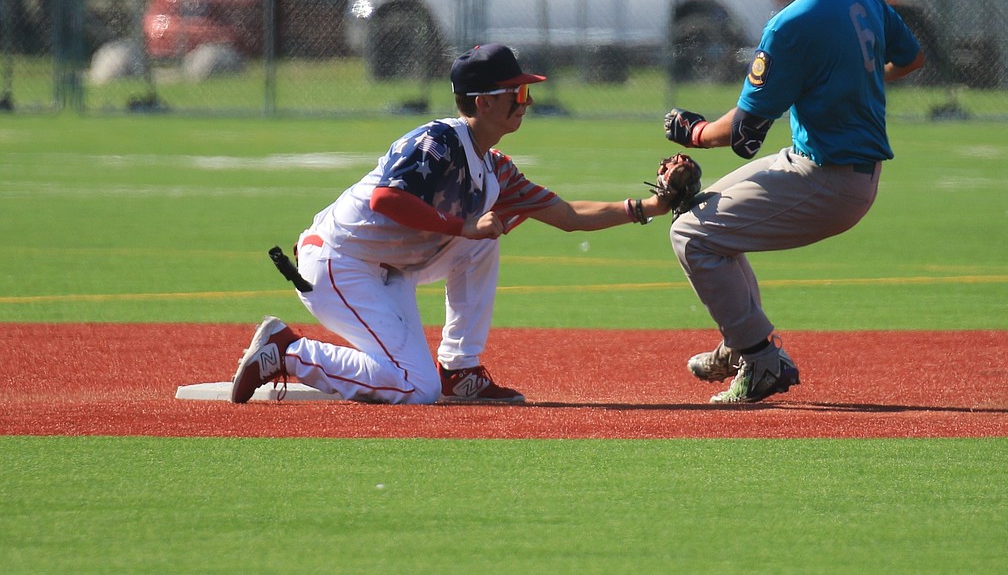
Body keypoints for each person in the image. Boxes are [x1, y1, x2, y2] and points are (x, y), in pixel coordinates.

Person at [231, 43, 676, 405]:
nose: (528, 102)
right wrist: (462, 227)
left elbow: (569, 217)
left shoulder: (495, 168)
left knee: (488, 235)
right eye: (517, 94)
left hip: (388, 269)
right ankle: (288, 352)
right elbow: (388, 199)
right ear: (484, 102)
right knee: (413, 387)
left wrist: (656, 205)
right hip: (338, 263)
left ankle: (461, 370)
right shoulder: (438, 141)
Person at [663, 0, 925, 404]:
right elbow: (911, 58)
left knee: (693, 236)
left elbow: (740, 132)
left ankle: (759, 360)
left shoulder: (793, 21)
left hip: (826, 178)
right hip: (830, 166)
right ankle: (742, 344)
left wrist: (690, 131)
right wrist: (855, 81)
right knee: (705, 226)